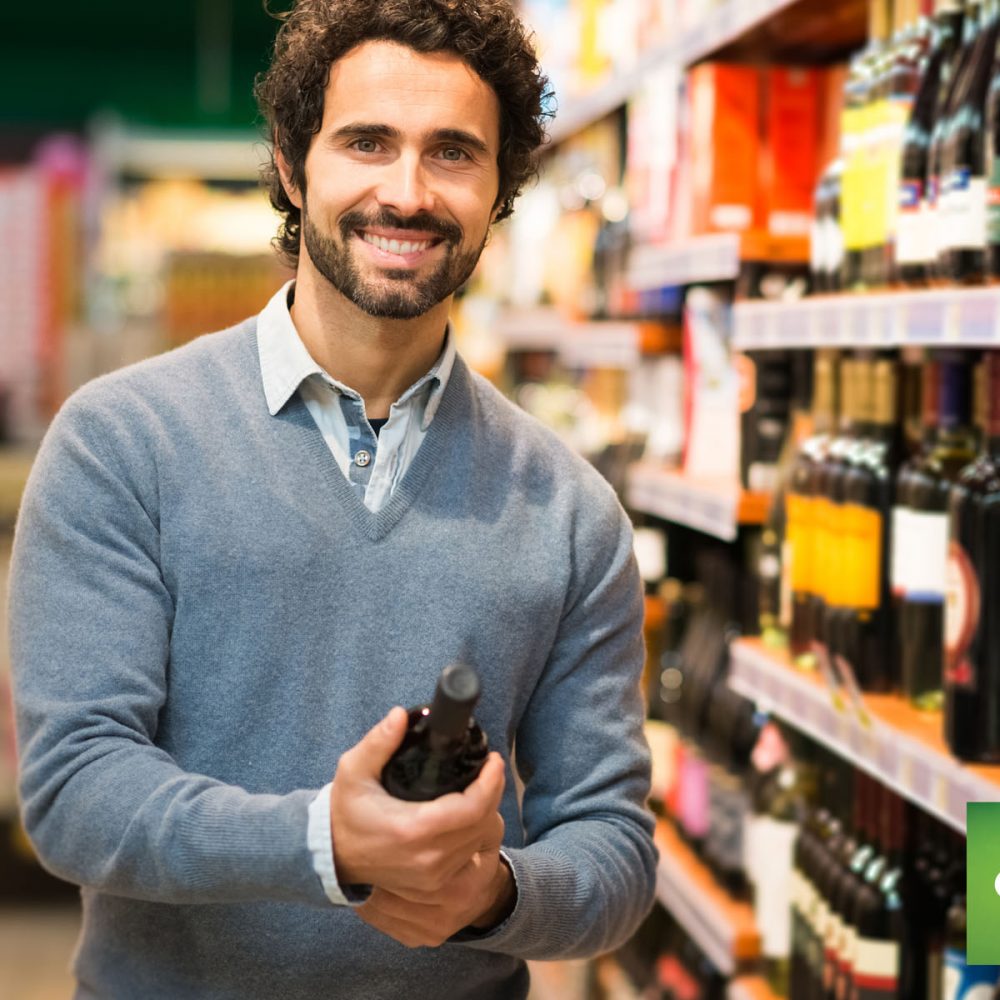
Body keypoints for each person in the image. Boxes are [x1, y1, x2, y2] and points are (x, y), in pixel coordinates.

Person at [8, 0, 658, 996]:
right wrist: (327, 842)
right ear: (290, 161)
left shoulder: (569, 512)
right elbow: (73, 791)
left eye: (452, 153)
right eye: (366, 142)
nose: (406, 192)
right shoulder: (122, 443)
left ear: (501, 188)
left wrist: (490, 895)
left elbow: (613, 849)